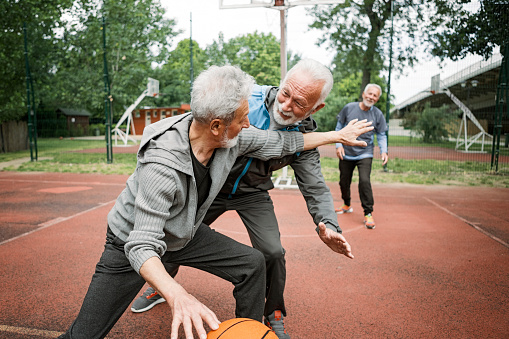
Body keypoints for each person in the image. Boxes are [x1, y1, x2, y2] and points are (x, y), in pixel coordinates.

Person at [58, 64, 373, 339]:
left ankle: (250, 330)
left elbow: (282, 142)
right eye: (243, 118)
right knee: (84, 334)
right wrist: (177, 294)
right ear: (218, 126)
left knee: (253, 263)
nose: (249, 124)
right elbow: (142, 245)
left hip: (186, 228)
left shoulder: (230, 138)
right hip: (130, 244)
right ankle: (158, 286)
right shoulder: (163, 165)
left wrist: (336, 136)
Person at [335, 83, 389, 229]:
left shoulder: (377, 114)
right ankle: (346, 204)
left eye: (375, 95)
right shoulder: (349, 108)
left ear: (377, 99)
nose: (371, 97)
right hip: (347, 151)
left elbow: (382, 134)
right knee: (343, 181)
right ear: (364, 94)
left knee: (364, 181)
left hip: (365, 152)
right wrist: (338, 145)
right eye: (370, 94)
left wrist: (384, 151)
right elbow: (339, 127)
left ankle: (368, 213)